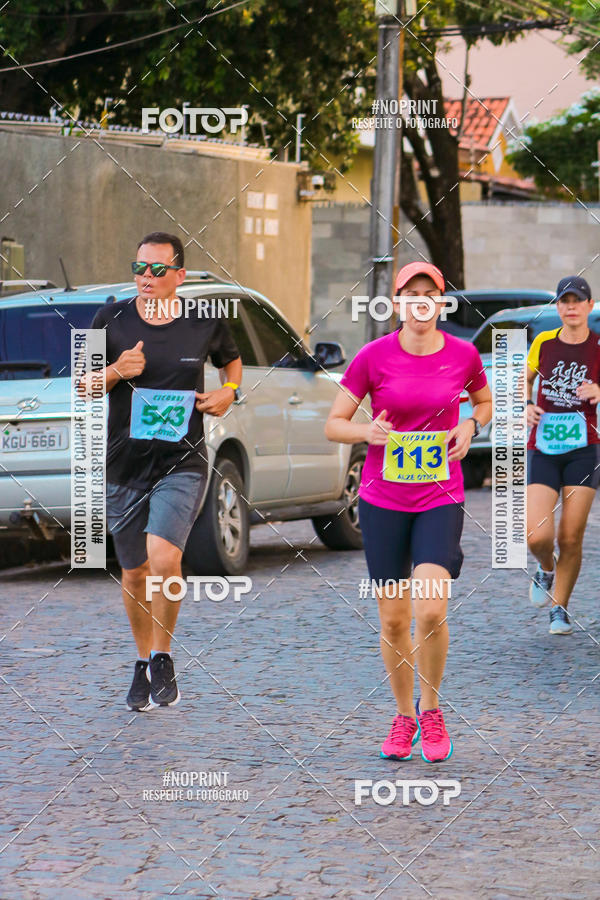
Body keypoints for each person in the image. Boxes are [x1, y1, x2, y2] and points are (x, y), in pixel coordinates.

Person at [325, 262, 492, 763]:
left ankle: (432, 709)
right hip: (383, 501)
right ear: (397, 303)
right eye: (410, 293)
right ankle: (403, 716)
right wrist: (367, 432)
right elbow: (334, 424)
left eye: (429, 293)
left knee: (431, 609)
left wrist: (470, 426)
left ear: (440, 303)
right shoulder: (373, 357)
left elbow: (483, 403)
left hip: (440, 496)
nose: (421, 301)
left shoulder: (463, 354)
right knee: (395, 621)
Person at [83, 232, 242, 710]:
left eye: (157, 269)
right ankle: (142, 661)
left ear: (180, 275)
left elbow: (232, 364)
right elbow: (82, 384)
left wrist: (228, 392)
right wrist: (116, 371)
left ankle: (162, 653)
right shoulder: (109, 319)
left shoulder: (204, 321)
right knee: (134, 573)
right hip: (124, 466)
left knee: (164, 557)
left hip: (182, 462)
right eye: (139, 268)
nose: (146, 277)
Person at [526, 275, 600, 635]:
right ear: (557, 307)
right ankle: (546, 568)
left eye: (577, 301)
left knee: (571, 535)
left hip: (584, 449)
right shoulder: (544, 341)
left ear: (589, 305)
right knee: (536, 536)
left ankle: (560, 608)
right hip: (543, 447)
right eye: (564, 301)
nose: (571, 307)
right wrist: (525, 405)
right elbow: (523, 380)